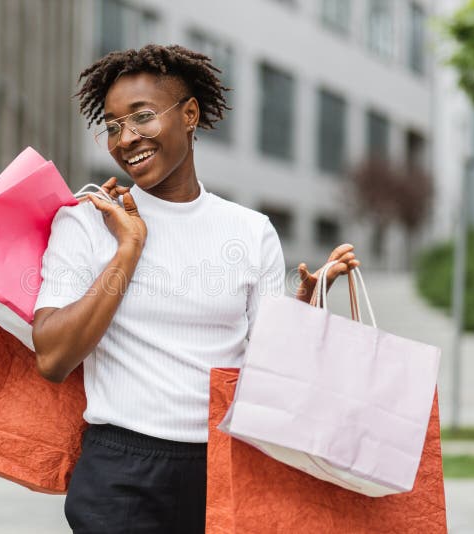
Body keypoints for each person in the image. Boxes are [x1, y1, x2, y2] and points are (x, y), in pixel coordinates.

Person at [31, 44, 360, 533]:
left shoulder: (251, 231)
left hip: (225, 467)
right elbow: (53, 357)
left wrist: (303, 313)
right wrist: (127, 251)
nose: (127, 138)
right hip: (120, 472)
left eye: (142, 117)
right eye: (114, 126)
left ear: (189, 114)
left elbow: (269, 375)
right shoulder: (86, 221)